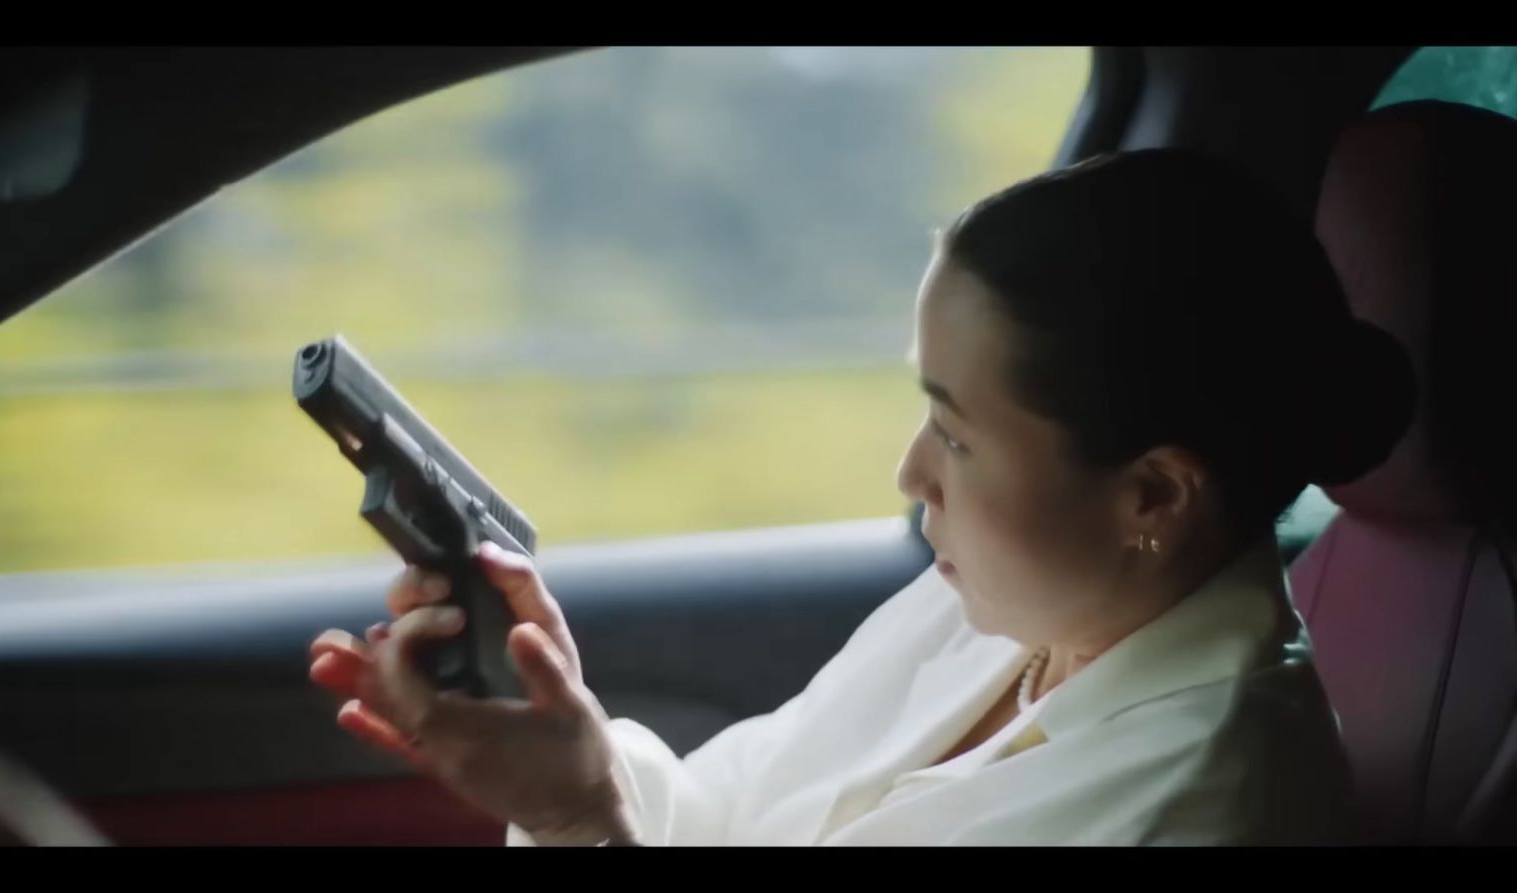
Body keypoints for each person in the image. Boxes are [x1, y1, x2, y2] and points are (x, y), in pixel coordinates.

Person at [308, 149, 1415, 846]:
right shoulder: (988, 616)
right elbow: (722, 816)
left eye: (955, 432)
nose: (910, 472)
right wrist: (574, 746)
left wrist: (574, 815)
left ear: (1153, 494)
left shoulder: (1203, 801)